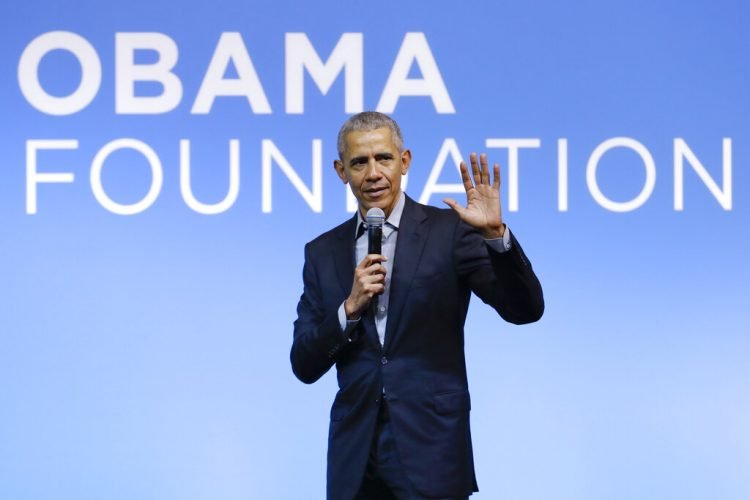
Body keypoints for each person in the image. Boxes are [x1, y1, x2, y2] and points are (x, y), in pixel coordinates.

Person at [291, 112, 544, 500]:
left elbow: (525, 310)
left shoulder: (450, 232)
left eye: (384, 158)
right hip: (355, 461)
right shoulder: (321, 253)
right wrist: (350, 307)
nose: (373, 173)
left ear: (404, 161)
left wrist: (496, 236)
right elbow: (304, 364)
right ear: (341, 171)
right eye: (360, 162)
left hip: (432, 452)